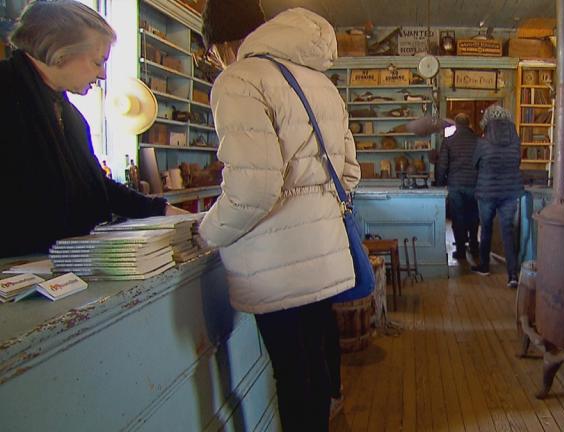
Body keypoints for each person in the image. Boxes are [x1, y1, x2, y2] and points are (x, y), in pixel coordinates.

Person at [199, 2, 360, 430]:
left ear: (220, 44)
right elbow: (350, 173)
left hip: (275, 258)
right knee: (315, 367)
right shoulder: (320, 83)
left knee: (291, 375)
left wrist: (205, 233)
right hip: (322, 251)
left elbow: (253, 189)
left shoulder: (239, 80)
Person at [1, 0, 186, 259]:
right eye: (98, 62)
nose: (102, 75)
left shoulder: (71, 116)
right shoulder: (7, 94)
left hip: (54, 268)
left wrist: (163, 211)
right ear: (61, 51)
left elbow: (97, 186)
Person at [471, 105, 524, 287]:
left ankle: (485, 266)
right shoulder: (516, 141)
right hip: (510, 191)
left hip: (486, 192)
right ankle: (512, 275)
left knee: (486, 229)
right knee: (508, 231)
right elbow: (518, 162)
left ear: (487, 121)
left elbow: (475, 164)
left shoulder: (482, 142)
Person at [435, 112, 480, 261]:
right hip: (475, 185)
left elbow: (442, 166)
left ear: (456, 124)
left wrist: (440, 184)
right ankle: (474, 246)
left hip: (456, 185)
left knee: (458, 218)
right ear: (469, 124)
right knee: (474, 217)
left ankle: (460, 250)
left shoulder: (449, 142)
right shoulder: (478, 141)